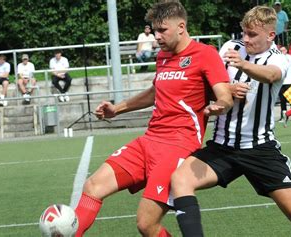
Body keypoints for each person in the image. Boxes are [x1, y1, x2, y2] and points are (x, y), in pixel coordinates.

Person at [171, 6, 291, 237]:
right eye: (244, 33)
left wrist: (243, 65)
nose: (245, 39)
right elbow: (210, 84)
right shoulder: (230, 47)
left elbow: (271, 75)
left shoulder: (280, 58)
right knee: (180, 179)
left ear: (271, 35)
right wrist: (224, 93)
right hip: (222, 147)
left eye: (252, 35)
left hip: (260, 149)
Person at [72, 2, 233, 237]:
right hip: (149, 141)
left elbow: (224, 94)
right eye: (154, 30)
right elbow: (155, 92)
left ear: (181, 26)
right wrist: (116, 109)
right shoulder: (163, 56)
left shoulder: (205, 54)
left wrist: (221, 106)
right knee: (92, 186)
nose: (156, 36)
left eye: (162, 30)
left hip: (179, 146)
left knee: (146, 224)